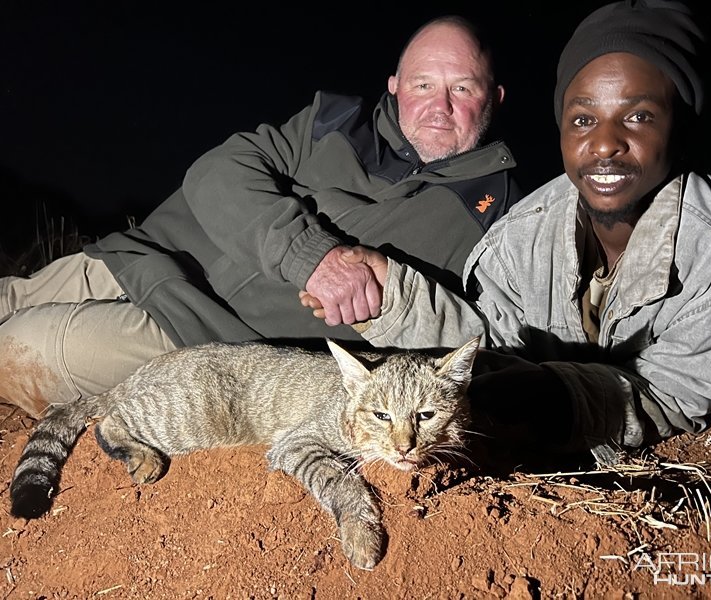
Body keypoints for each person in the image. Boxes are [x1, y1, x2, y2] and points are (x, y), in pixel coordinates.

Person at [301, 0, 711, 462]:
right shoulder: (520, 236)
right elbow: (491, 343)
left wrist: (559, 397)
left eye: (639, 116)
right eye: (583, 118)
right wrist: (397, 297)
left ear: (681, 128)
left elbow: (672, 395)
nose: (605, 143)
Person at [0, 15, 522, 418]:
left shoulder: (502, 214)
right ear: (394, 85)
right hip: (148, 255)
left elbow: (493, 337)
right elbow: (217, 171)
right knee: (10, 297)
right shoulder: (334, 120)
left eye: (463, 88)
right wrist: (314, 259)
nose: (440, 106)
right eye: (423, 84)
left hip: (201, 337)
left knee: (21, 349)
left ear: (493, 98)